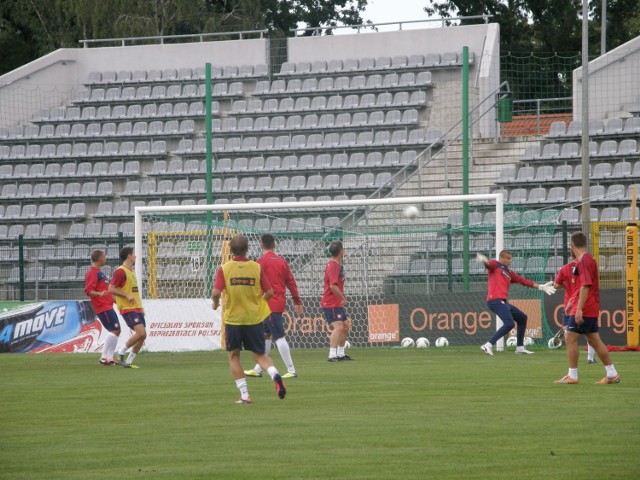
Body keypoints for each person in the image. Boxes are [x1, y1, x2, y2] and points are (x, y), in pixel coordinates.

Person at [212, 235, 286, 404]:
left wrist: (215, 304)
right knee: (260, 356)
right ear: (247, 249)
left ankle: (245, 395)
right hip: (253, 319)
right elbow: (270, 292)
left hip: (234, 320)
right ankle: (274, 374)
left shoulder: (225, 268)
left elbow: (216, 292)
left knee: (234, 357)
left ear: (230, 250)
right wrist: (259, 304)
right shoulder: (256, 267)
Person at [554, 232, 621, 385]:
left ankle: (573, 376)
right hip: (591, 306)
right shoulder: (588, 259)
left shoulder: (584, 261)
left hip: (585, 307)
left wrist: (578, 309)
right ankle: (612, 374)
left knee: (570, 338)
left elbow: (585, 285)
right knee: (594, 340)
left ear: (571, 245)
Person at [245, 234, 303, 379]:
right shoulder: (282, 262)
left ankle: (292, 370)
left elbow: (255, 285)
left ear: (260, 245)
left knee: (278, 337)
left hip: (269, 304)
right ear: (274, 245)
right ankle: (258, 368)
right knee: (266, 336)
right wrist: (297, 301)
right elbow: (291, 282)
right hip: (277, 302)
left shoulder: (260, 262)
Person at [477, 250, 556, 356]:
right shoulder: (495, 265)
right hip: (495, 300)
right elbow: (488, 264)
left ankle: (520, 347)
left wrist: (541, 287)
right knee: (509, 323)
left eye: (511, 258)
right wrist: (484, 261)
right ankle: (488, 345)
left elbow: (523, 281)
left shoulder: (508, 273)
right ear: (502, 258)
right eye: (508, 258)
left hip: (502, 302)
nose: (510, 261)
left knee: (522, 318)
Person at [552, 254, 597, 363]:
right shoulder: (585, 268)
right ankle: (590, 358)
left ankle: (572, 368)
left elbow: (556, 285)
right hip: (585, 304)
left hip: (570, 304)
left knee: (570, 337)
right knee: (590, 334)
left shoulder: (565, 268)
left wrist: (566, 284)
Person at [109, 247, 147, 369]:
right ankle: (121, 351)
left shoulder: (130, 271)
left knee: (143, 335)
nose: (135, 256)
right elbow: (111, 288)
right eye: (133, 254)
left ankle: (129, 361)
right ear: (129, 256)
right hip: (127, 308)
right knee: (140, 332)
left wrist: (140, 307)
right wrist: (126, 295)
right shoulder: (120, 271)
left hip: (136, 308)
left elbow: (134, 292)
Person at [84, 249, 120, 366]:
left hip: (107, 306)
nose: (105, 258)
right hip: (103, 307)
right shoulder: (93, 273)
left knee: (115, 330)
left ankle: (108, 358)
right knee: (115, 330)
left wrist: (115, 301)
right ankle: (104, 358)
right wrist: (100, 294)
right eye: (104, 256)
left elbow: (106, 290)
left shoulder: (99, 273)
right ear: (99, 258)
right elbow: (89, 290)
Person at [321, 240, 352, 362]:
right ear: (341, 252)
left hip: (335, 302)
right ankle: (332, 355)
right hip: (331, 302)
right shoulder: (333, 266)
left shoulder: (336, 265)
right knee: (339, 327)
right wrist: (343, 297)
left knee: (345, 326)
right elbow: (333, 286)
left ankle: (340, 353)